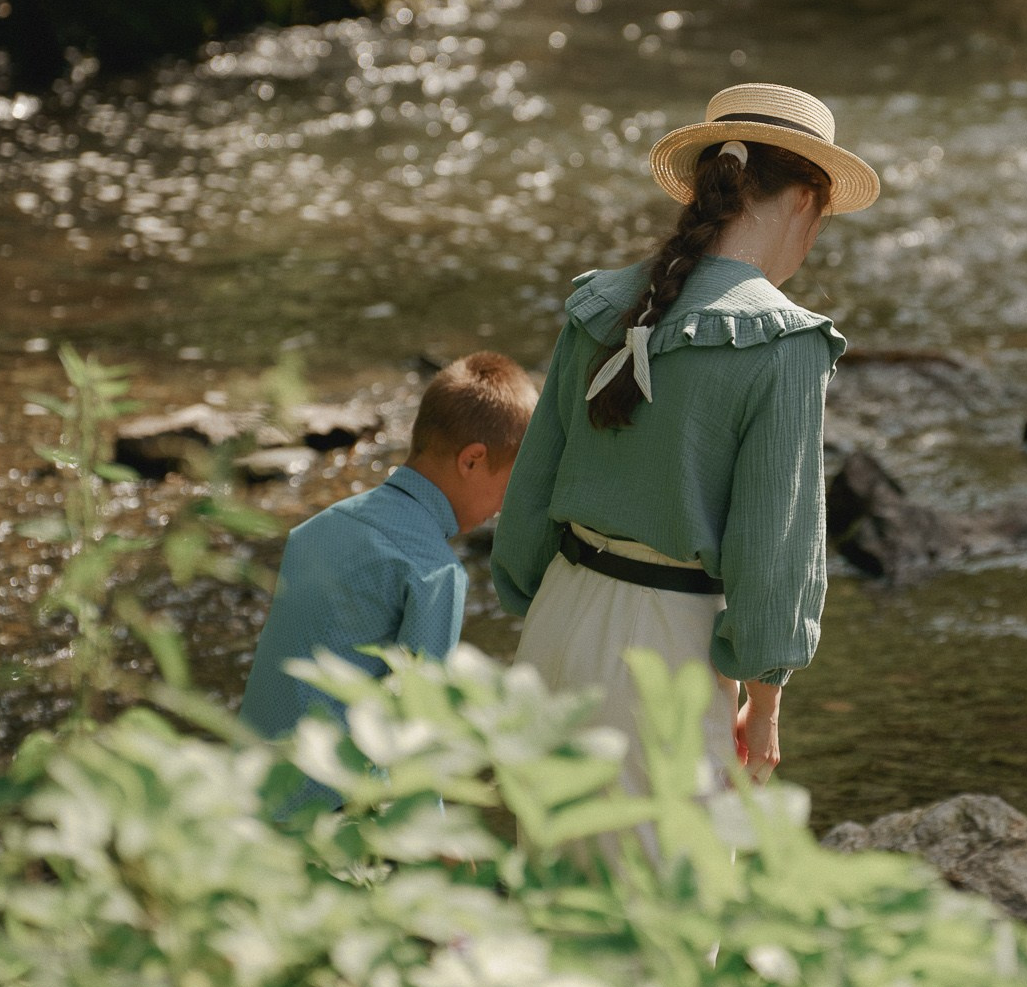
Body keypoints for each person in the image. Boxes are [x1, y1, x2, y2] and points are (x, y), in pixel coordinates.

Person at [491, 82, 878, 791]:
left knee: (549, 852)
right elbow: (775, 546)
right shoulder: (786, 343)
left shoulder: (599, 304)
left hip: (556, 622)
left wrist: (543, 604)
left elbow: (529, 498)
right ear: (803, 203)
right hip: (669, 653)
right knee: (666, 862)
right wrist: (766, 698)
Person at [238, 352, 540, 739]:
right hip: (332, 775)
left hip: (251, 765)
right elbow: (420, 726)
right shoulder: (433, 572)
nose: (504, 506)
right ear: (472, 460)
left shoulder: (316, 528)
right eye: (510, 485)